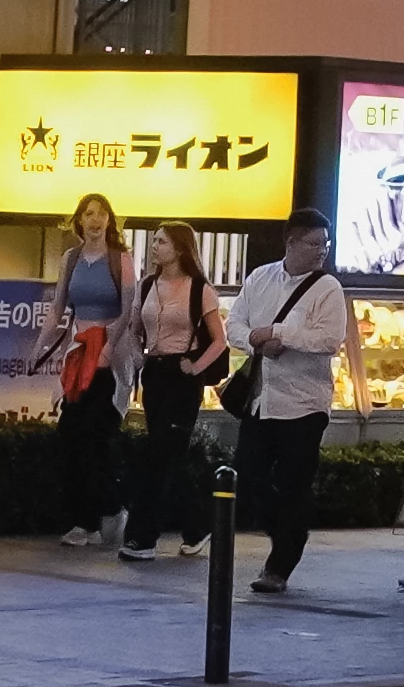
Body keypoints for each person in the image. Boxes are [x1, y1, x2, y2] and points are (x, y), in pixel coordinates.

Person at [229, 213, 354, 595]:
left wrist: (279, 332)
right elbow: (233, 325)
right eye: (314, 244)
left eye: (325, 245)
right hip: (261, 400)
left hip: (305, 404)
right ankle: (284, 530)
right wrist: (256, 338)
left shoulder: (327, 288)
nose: (321, 252)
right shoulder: (260, 278)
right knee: (248, 478)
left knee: (294, 484)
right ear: (291, 243)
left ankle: (279, 565)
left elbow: (330, 339)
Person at [119, 238, 225, 559]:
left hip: (183, 378)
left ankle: (143, 537)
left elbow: (219, 341)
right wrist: (139, 357)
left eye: (163, 241)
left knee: (158, 454)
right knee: (170, 457)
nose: (155, 246)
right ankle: (198, 525)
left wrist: (196, 367)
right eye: (154, 240)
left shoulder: (199, 289)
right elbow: (134, 330)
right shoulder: (148, 285)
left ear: (180, 249)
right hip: (155, 374)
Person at [51, 195, 133, 550]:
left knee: (96, 443)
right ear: (79, 221)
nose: (95, 219)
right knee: (70, 439)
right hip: (78, 359)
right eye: (89, 213)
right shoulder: (70, 260)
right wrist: (40, 346)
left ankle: (99, 517)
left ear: (110, 221)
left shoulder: (121, 260)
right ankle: (90, 516)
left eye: (102, 214)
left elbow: (129, 309)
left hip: (107, 365)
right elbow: (58, 308)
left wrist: (110, 344)